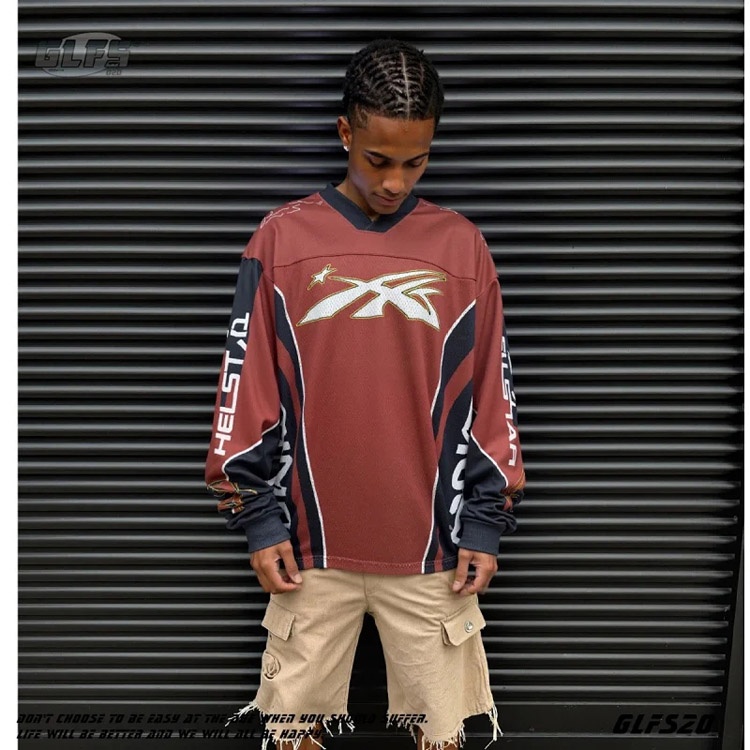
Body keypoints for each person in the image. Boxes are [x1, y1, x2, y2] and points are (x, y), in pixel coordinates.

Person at [205, 37, 526, 750]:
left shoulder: (461, 247)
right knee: (290, 733)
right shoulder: (282, 240)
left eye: (416, 162)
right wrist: (258, 520)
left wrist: (484, 523)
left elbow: (492, 395)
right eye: (379, 160)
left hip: (434, 554)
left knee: (442, 735)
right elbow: (243, 386)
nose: (394, 182)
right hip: (308, 555)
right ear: (345, 132)